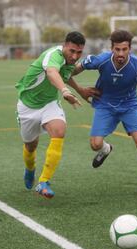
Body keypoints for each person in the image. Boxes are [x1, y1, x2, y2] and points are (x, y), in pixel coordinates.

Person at [72, 30, 137, 197]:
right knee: (95, 145)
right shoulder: (101, 60)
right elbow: (73, 70)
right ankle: (106, 149)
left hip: (130, 106)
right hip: (105, 105)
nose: (121, 53)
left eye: (124, 49)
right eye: (117, 49)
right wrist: (76, 86)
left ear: (130, 49)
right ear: (111, 48)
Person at [15, 31, 97, 199]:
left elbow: (65, 75)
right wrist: (65, 91)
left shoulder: (68, 62)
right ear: (64, 46)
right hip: (27, 107)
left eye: (79, 52)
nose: (75, 56)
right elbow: (52, 72)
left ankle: (43, 181)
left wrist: (80, 90)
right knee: (31, 146)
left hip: (49, 104)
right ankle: (30, 168)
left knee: (59, 131)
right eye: (72, 51)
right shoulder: (53, 55)